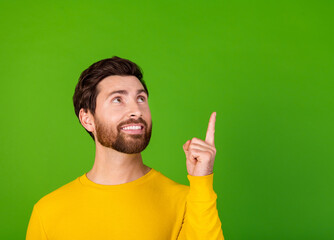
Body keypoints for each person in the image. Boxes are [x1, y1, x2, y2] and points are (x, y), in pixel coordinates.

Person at [26, 56, 224, 240]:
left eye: (141, 99)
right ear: (87, 119)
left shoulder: (187, 201)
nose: (136, 111)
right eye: (118, 99)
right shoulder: (47, 212)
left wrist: (201, 183)